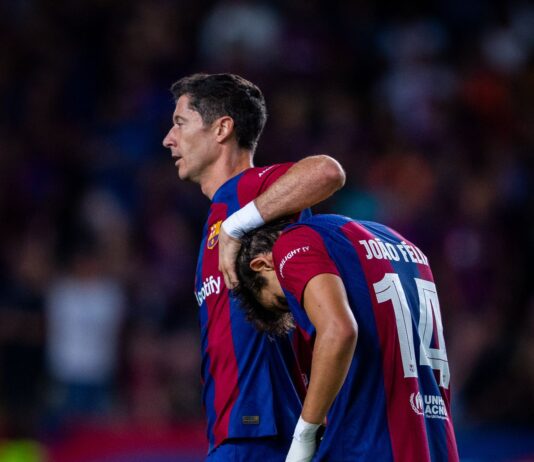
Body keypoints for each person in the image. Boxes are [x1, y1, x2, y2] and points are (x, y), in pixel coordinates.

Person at [162, 73, 345, 460]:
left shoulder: (246, 192)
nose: (168, 139)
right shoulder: (217, 215)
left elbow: (327, 172)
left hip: (261, 431)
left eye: (180, 123)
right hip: (239, 433)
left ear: (222, 128)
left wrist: (238, 224)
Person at [235, 214, 460, 461]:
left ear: (262, 264)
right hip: (436, 442)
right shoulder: (401, 244)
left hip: (371, 443)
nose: (300, 303)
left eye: (283, 300)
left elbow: (339, 331)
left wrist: (304, 434)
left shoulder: (292, 243)